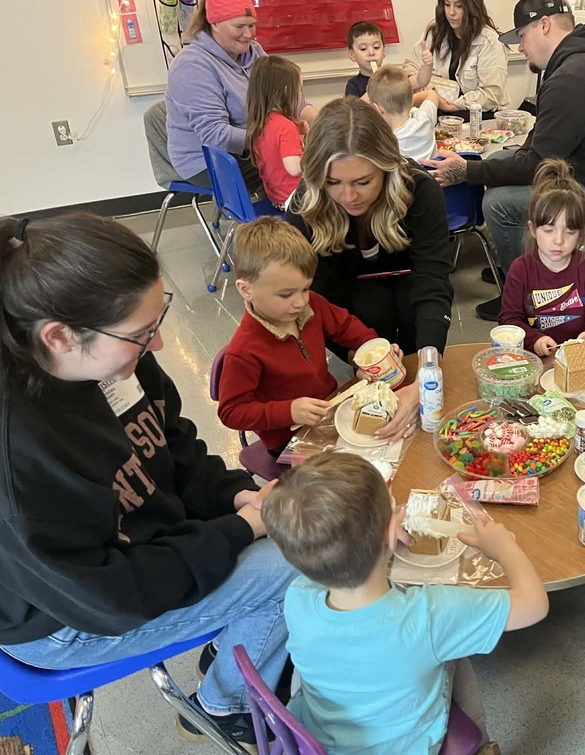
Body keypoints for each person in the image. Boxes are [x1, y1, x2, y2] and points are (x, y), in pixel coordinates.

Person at [0, 214, 298, 754]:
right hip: (65, 619)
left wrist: (237, 495)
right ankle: (223, 704)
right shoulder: (19, 457)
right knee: (298, 566)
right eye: (140, 334)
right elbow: (107, 598)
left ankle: (236, 641)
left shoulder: (113, 360)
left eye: (157, 318)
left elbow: (174, 444)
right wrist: (238, 530)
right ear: (60, 337)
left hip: (129, 557)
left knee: (294, 528)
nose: (159, 343)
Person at [262, 451, 549, 754]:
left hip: (320, 737)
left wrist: (371, 544)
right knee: (454, 652)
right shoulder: (431, 615)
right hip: (405, 744)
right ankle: (483, 744)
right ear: (390, 534)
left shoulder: (298, 595)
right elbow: (534, 604)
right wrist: (504, 549)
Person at [429, 0, 585, 322]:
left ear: (544, 25)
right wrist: (487, 165)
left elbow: (536, 164)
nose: (520, 47)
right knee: (503, 164)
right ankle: (517, 268)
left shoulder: (573, 76)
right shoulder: (575, 64)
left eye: (521, 36)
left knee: (498, 202)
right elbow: (537, 148)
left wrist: (466, 171)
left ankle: (522, 296)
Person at [217, 218, 419, 455]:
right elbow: (232, 412)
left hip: (331, 409)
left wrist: (372, 351)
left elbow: (346, 327)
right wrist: (289, 411)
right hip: (290, 439)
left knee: (404, 440)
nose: (301, 301)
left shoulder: (310, 305)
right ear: (246, 290)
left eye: (305, 288)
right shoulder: (244, 351)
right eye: (286, 294)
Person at [285, 97, 454, 364]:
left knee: (413, 311)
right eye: (333, 182)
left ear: (387, 168)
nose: (349, 196)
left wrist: (428, 365)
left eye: (363, 182)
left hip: (408, 286)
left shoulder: (419, 191)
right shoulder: (306, 204)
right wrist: (357, 356)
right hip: (348, 300)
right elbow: (317, 299)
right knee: (373, 308)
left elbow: (432, 281)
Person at [165, 0, 316, 188]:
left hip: (253, 147)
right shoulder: (191, 66)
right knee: (309, 175)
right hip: (212, 161)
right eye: (239, 27)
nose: (249, 34)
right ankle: (287, 215)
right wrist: (277, 137)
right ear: (214, 24)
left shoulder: (253, 51)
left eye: (252, 25)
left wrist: (324, 123)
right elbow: (216, 136)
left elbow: (287, 98)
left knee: (318, 162)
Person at [497, 159, 585, 357]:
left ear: (580, 233)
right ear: (533, 229)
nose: (558, 240)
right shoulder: (521, 268)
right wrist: (535, 340)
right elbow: (508, 319)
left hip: (576, 356)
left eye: (570, 231)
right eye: (549, 230)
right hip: (531, 356)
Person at [404, 0, 511, 120]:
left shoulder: (489, 41)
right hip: (439, 108)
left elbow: (491, 95)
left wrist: (452, 106)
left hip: (478, 114)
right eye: (447, 4)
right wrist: (419, 84)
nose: (451, 12)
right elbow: (410, 66)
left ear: (472, 7)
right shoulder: (435, 32)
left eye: (458, 6)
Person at [246, 55, 306, 209]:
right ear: (286, 91)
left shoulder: (260, 122)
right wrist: (316, 156)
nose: (301, 95)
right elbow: (294, 168)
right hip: (295, 200)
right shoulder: (286, 127)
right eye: (300, 89)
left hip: (276, 198)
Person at [367, 65, 441, 163]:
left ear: (378, 109)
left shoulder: (385, 143)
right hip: (433, 177)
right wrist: (405, 101)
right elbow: (431, 94)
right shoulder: (425, 119)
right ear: (410, 102)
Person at [345, 21, 387, 99]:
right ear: (352, 55)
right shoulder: (353, 85)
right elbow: (354, 109)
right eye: (363, 49)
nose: (371, 53)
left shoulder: (392, 78)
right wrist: (375, 89)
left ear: (384, 51)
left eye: (376, 47)